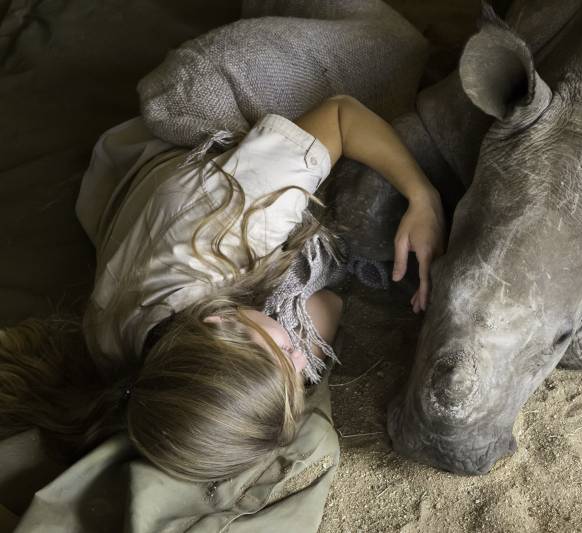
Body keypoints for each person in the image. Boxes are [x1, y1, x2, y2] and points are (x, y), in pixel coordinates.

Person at [0, 94, 445, 482]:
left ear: (219, 322)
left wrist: (423, 197)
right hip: (117, 199)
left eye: (282, 356)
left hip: (164, 156)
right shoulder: (144, 372)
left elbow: (343, 113)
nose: (297, 356)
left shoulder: (236, 223)